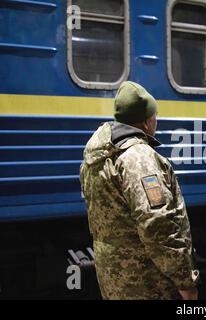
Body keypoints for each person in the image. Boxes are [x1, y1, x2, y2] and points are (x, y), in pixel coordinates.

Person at [79, 81, 199, 300]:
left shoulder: (95, 158)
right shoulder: (140, 159)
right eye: (155, 116)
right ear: (146, 121)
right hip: (147, 283)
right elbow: (157, 225)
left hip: (114, 279)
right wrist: (185, 281)